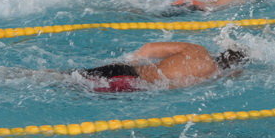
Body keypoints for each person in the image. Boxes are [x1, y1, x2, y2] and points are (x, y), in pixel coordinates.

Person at [71, 41, 248, 92]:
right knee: (70, 88)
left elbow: (149, 47)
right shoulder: (212, 77)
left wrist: (130, 61)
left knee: (66, 78)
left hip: (128, 72)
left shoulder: (197, 50)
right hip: (133, 87)